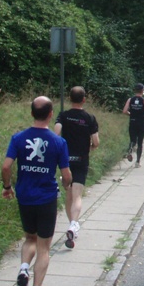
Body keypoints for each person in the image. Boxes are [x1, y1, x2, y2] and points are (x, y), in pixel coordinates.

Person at [1, 96, 71, 286]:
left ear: (32, 113)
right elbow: (66, 174)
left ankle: (24, 268)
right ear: (51, 114)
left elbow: (6, 167)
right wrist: (66, 185)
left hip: (25, 196)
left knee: (29, 237)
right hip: (46, 197)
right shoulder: (58, 142)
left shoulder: (18, 138)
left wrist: (7, 187)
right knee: (44, 247)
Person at [54, 86, 99, 249]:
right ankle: (73, 224)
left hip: (66, 160)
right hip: (81, 159)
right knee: (77, 194)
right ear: (84, 99)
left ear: (70, 98)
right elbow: (96, 141)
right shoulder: (89, 118)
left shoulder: (63, 116)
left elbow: (56, 132)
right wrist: (91, 148)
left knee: (69, 194)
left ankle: (72, 224)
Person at [122, 83, 144, 168]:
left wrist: (131, 114)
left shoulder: (130, 100)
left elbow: (124, 111)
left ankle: (130, 150)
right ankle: (137, 162)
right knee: (140, 142)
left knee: (133, 140)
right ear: (142, 91)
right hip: (141, 123)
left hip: (132, 122)